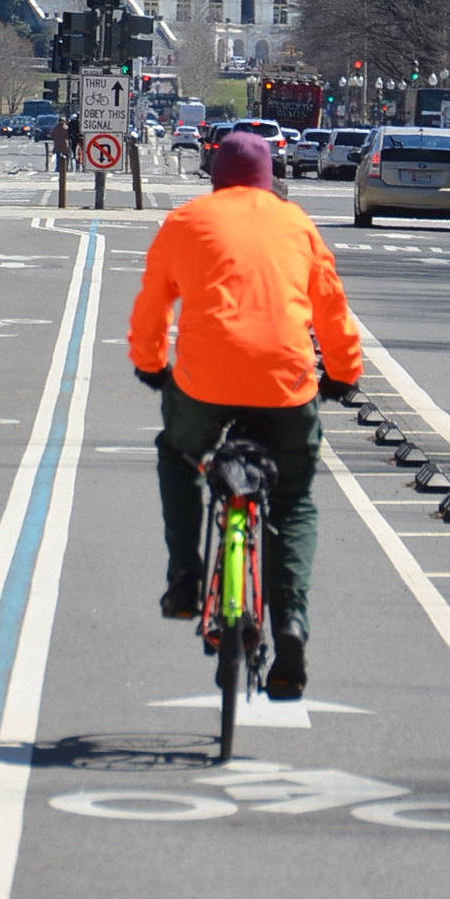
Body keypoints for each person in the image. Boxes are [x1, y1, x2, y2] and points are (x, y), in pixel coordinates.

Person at [128, 131, 362, 700]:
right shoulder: (296, 224)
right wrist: (342, 374)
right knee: (295, 500)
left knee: (178, 454)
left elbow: (153, 303)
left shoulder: (185, 222)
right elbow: (332, 307)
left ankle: (185, 576)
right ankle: (291, 624)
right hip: (285, 384)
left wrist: (151, 364)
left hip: (205, 383)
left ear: (214, 172)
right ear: (269, 175)